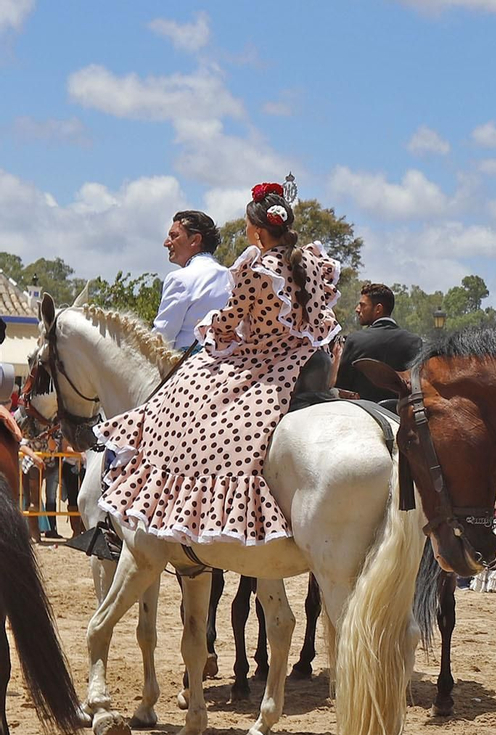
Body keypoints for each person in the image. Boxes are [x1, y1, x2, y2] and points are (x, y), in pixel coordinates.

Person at [97, 181, 340, 545]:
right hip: (309, 358)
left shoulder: (256, 270)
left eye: (246, 225)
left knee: (184, 392)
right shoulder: (307, 261)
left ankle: (178, 494)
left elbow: (230, 318)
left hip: (266, 363)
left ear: (258, 231)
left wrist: (210, 327)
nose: (244, 231)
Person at [153, 210, 232, 355]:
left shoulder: (180, 278)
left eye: (174, 236)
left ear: (195, 240)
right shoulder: (231, 276)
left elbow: (162, 337)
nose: (166, 243)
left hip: (187, 369)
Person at [336, 283, 423, 404]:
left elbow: (342, 386)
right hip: (400, 417)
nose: (357, 309)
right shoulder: (414, 341)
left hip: (361, 415)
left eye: (362, 305)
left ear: (378, 309)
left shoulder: (355, 340)